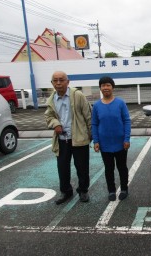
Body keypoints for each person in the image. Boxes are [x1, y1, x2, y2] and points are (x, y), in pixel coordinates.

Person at [45, 71, 92, 205]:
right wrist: (56, 124)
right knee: (62, 167)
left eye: (61, 80)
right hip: (62, 140)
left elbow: (88, 115)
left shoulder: (78, 95)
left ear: (68, 82)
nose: (58, 83)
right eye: (55, 80)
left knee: (82, 167)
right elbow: (48, 117)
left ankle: (83, 190)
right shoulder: (51, 99)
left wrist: (91, 134)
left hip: (79, 138)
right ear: (52, 83)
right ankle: (66, 191)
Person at [92, 76, 131, 201]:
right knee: (109, 169)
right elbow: (94, 124)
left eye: (108, 85)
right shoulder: (97, 105)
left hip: (120, 143)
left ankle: (124, 189)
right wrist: (96, 141)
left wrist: (126, 139)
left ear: (112, 87)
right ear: (100, 88)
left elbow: (127, 121)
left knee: (122, 167)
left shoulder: (120, 103)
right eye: (103, 85)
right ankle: (111, 191)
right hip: (105, 144)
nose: (105, 88)